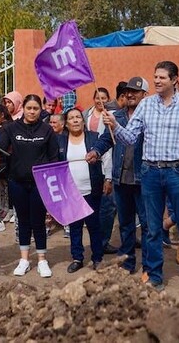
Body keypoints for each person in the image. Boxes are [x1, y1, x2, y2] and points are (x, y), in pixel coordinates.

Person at [103, 60, 179, 299]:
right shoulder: (146, 105)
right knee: (151, 229)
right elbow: (129, 138)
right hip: (149, 172)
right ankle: (155, 276)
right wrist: (116, 125)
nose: (157, 81)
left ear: (174, 79)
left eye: (162, 77)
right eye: (155, 77)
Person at [87, 76, 148, 275]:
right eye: (128, 91)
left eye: (135, 92)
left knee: (147, 225)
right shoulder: (117, 116)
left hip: (143, 178)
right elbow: (106, 139)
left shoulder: (149, 116)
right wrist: (96, 151)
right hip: (121, 178)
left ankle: (149, 266)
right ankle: (128, 263)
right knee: (125, 223)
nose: (130, 94)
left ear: (144, 95)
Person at [0, 94, 58, 278]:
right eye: (29, 108)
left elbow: (54, 157)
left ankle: (42, 260)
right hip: (17, 182)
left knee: (38, 222)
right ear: (23, 107)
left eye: (36, 109)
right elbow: (0, 150)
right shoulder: (11, 128)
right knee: (23, 222)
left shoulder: (47, 130)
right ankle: (24, 260)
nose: (32, 112)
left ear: (40, 110)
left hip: (40, 183)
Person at [60, 108, 111, 272]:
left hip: (91, 189)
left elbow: (106, 158)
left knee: (94, 225)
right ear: (66, 124)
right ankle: (77, 258)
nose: (75, 120)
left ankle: (97, 258)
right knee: (74, 227)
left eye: (78, 117)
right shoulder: (60, 141)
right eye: (71, 118)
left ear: (83, 121)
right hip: (71, 191)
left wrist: (108, 178)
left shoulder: (94, 138)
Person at [83, 87, 118, 254]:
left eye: (104, 97)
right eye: (97, 97)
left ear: (108, 99)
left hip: (106, 161)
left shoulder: (112, 117)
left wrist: (109, 176)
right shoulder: (85, 115)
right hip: (88, 161)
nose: (100, 101)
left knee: (108, 206)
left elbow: (111, 145)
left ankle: (104, 241)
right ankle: (94, 242)